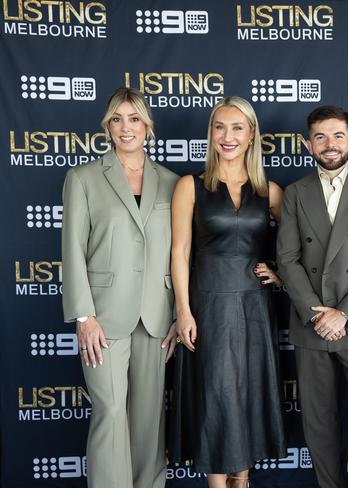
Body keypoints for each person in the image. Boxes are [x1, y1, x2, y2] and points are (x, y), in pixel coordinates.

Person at [61, 87, 179, 488]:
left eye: (133, 119)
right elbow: (72, 249)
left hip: (157, 316)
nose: (125, 128)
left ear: (148, 125)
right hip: (104, 317)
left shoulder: (173, 182)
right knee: (110, 412)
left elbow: (180, 254)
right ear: (107, 126)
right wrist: (84, 315)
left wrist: (179, 313)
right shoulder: (83, 178)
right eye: (116, 119)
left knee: (148, 419)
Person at [169, 96, 286, 488]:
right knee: (215, 396)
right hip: (208, 305)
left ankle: (243, 480)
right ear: (211, 134)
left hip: (255, 307)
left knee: (247, 395)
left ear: (252, 135)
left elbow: (296, 249)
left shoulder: (268, 191)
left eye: (238, 128)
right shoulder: (190, 185)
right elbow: (180, 251)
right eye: (220, 127)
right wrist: (183, 311)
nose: (228, 136)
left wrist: (280, 273)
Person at [277, 105, 348, 488]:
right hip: (312, 324)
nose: (330, 144)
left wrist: (343, 313)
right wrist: (317, 315)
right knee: (319, 419)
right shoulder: (295, 193)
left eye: (338, 135)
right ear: (308, 145)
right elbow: (288, 260)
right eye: (321, 137)